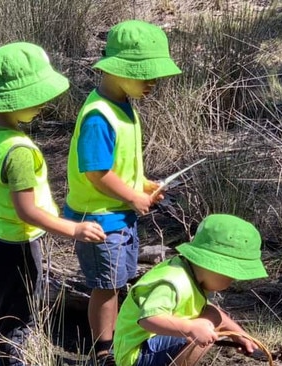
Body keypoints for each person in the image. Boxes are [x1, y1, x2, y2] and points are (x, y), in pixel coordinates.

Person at [0, 42, 106, 366]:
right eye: (37, 99)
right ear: (14, 101)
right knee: (22, 315)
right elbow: (27, 211)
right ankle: (7, 358)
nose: (43, 105)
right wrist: (74, 229)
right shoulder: (18, 150)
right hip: (16, 246)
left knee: (5, 303)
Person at [64, 20, 182, 365]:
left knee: (118, 280)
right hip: (100, 217)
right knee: (106, 285)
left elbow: (121, 164)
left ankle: (116, 338)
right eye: (145, 75)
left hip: (119, 213)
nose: (153, 83)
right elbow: (97, 172)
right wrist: (132, 196)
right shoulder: (99, 116)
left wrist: (142, 185)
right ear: (117, 70)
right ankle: (103, 350)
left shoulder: (122, 104)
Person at [113, 214, 269, 366]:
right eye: (231, 276)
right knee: (203, 329)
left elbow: (210, 311)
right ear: (213, 265)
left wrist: (239, 335)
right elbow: (148, 320)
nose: (232, 281)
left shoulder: (192, 273)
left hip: (156, 342)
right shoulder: (173, 281)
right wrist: (191, 329)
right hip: (135, 355)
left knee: (211, 316)